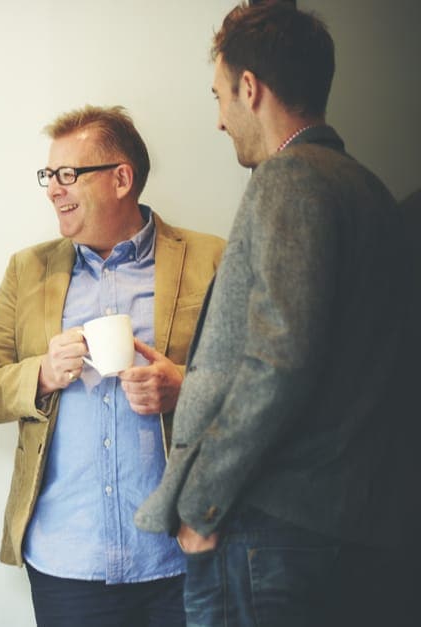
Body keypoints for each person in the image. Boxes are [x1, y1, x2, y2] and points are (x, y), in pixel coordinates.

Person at [134, 4, 411, 625]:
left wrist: (202, 504)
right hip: (354, 532)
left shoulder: (288, 179)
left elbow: (279, 361)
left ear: (250, 88)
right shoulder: (370, 191)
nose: (219, 121)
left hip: (270, 536)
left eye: (220, 96)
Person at [0, 105, 224, 627]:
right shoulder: (26, 269)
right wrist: (40, 372)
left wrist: (184, 387)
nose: (53, 189)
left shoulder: (210, 258)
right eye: (48, 176)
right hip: (66, 561)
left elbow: (262, 386)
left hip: (180, 554)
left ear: (121, 178)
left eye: (67, 174)